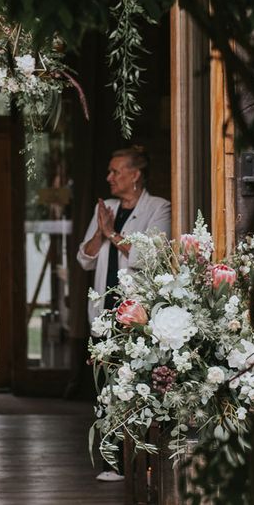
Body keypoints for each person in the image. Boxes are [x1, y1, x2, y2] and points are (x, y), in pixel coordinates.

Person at [76, 145, 171, 482]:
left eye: (116, 172)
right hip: (103, 311)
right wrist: (101, 233)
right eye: (109, 171)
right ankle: (112, 460)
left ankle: (140, 461)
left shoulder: (158, 207)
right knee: (104, 386)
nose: (109, 178)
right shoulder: (107, 208)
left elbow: (147, 255)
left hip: (137, 315)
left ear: (135, 175)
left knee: (135, 384)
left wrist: (112, 234)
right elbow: (84, 257)